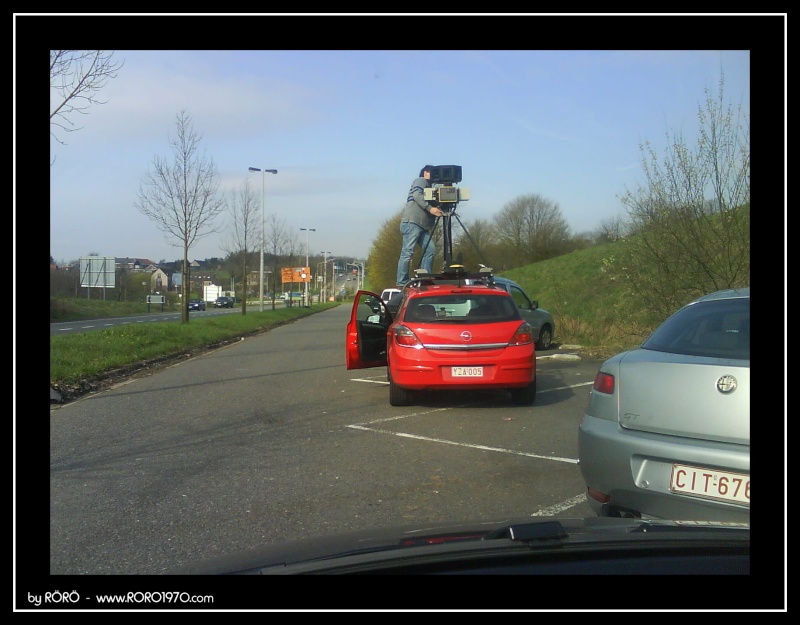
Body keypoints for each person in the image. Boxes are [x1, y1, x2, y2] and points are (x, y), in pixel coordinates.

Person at [396, 165, 444, 285]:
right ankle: (402, 282)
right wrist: (430, 208)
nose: (435, 176)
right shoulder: (420, 180)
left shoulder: (429, 188)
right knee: (407, 252)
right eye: (433, 172)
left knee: (430, 250)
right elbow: (417, 195)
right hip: (412, 222)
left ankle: (425, 278)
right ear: (425, 172)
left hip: (422, 226)